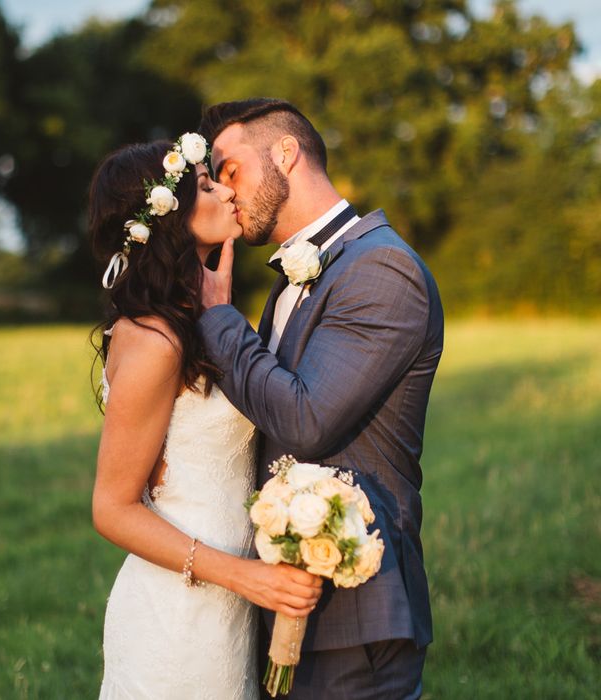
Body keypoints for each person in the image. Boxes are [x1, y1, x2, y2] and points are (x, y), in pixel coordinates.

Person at [197, 99, 444, 699]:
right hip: (285, 600)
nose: (226, 195)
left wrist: (217, 316)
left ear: (286, 152)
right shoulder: (294, 278)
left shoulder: (381, 267)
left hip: (356, 614)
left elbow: (305, 420)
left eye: (231, 171)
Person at [88, 136, 323, 699]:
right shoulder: (154, 340)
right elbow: (112, 508)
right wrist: (247, 577)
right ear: (166, 220)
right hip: (176, 615)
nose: (225, 189)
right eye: (205, 185)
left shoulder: (200, 317)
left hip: (229, 609)